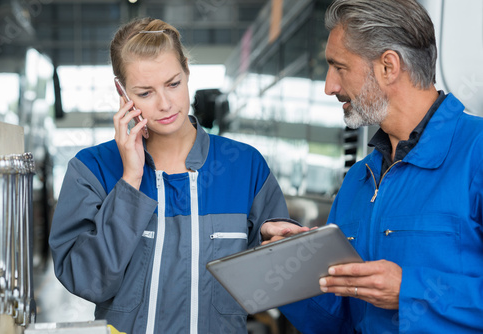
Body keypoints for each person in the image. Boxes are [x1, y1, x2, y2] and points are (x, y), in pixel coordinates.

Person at [49, 18, 305, 334]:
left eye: (173, 83)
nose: (166, 104)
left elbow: (276, 285)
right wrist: (130, 179)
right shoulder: (92, 169)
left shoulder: (244, 166)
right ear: (122, 93)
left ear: (186, 70)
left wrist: (272, 245)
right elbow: (87, 281)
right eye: (145, 93)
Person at [275, 0, 483, 333]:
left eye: (339, 67)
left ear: (388, 66)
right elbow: (337, 320)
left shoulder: (476, 152)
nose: (329, 86)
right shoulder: (360, 178)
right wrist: (288, 269)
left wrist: (410, 291)